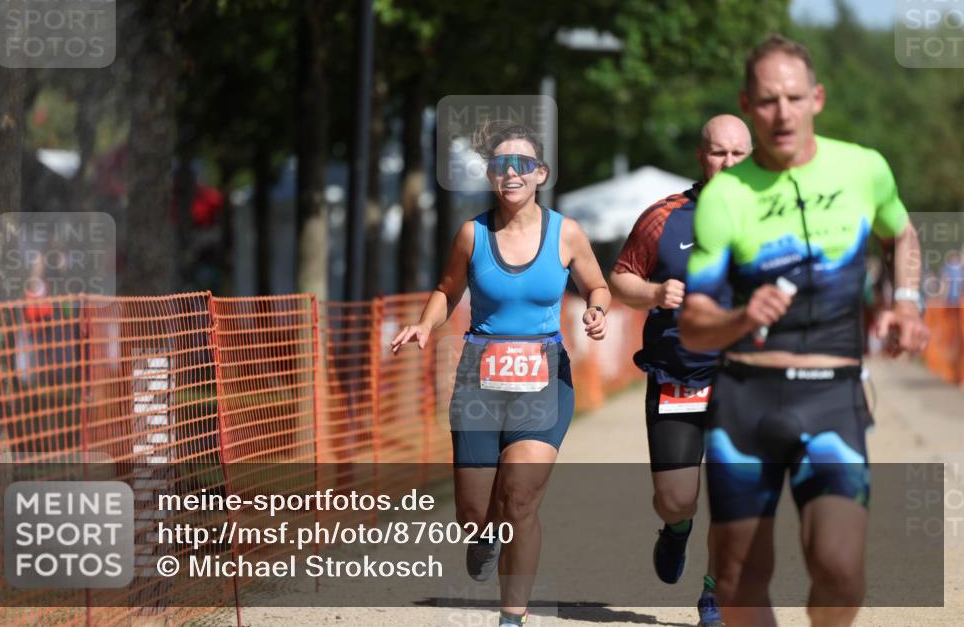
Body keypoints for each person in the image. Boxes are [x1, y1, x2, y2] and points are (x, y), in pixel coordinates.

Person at [680, 35, 930, 627]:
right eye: (767, 101)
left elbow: (902, 235)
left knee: (840, 568)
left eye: (794, 97)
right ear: (747, 104)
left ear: (817, 98)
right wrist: (741, 317)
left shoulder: (865, 168)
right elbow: (693, 323)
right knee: (739, 581)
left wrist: (909, 305)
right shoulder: (725, 197)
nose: (782, 113)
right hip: (746, 403)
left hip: (832, 399)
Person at [391, 121, 610, 627]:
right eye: (501, 165)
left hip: (544, 377)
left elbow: (597, 285)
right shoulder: (473, 234)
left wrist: (596, 309)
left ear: (541, 173)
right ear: (490, 174)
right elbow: (447, 291)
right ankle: (481, 537)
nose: (511, 174)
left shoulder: (566, 232)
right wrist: (425, 325)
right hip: (479, 377)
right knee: (475, 511)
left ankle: (513, 616)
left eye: (522, 164)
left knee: (519, 499)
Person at [610, 114, 751, 627]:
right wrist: (653, 293)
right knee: (676, 498)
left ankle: (715, 593)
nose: (729, 163)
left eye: (739, 154)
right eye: (719, 153)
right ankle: (676, 530)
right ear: (701, 156)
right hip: (677, 375)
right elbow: (620, 277)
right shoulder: (663, 217)